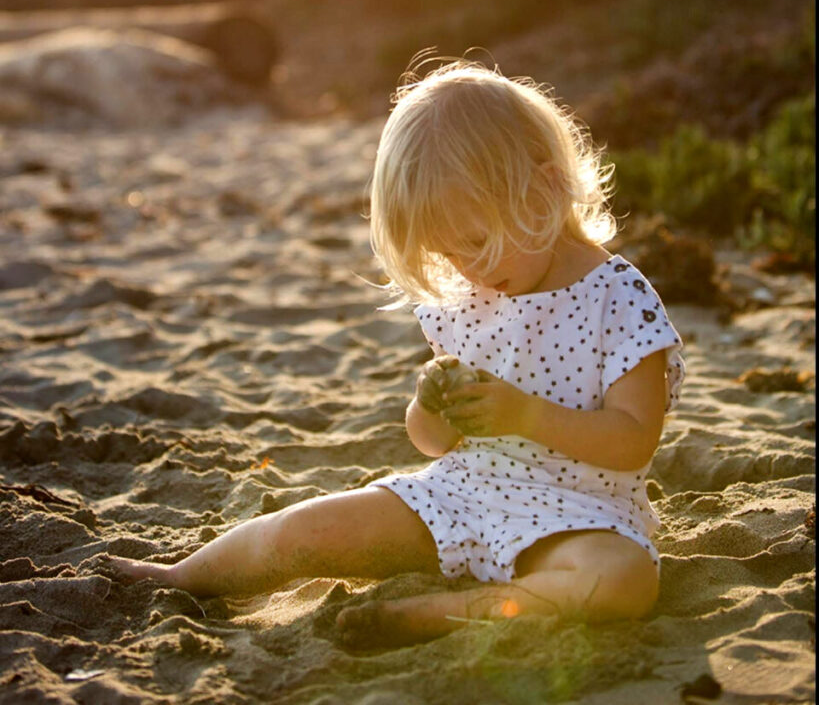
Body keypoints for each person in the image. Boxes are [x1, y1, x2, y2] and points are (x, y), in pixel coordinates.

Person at [110, 60, 684, 648]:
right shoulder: (473, 298)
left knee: (623, 581)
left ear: (546, 188)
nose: (471, 268)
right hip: (458, 498)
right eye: (450, 253)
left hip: (576, 518)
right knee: (305, 529)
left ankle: (446, 612)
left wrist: (525, 416)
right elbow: (435, 444)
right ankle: (181, 576)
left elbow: (635, 438)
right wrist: (431, 404)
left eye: (478, 241)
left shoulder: (618, 296)